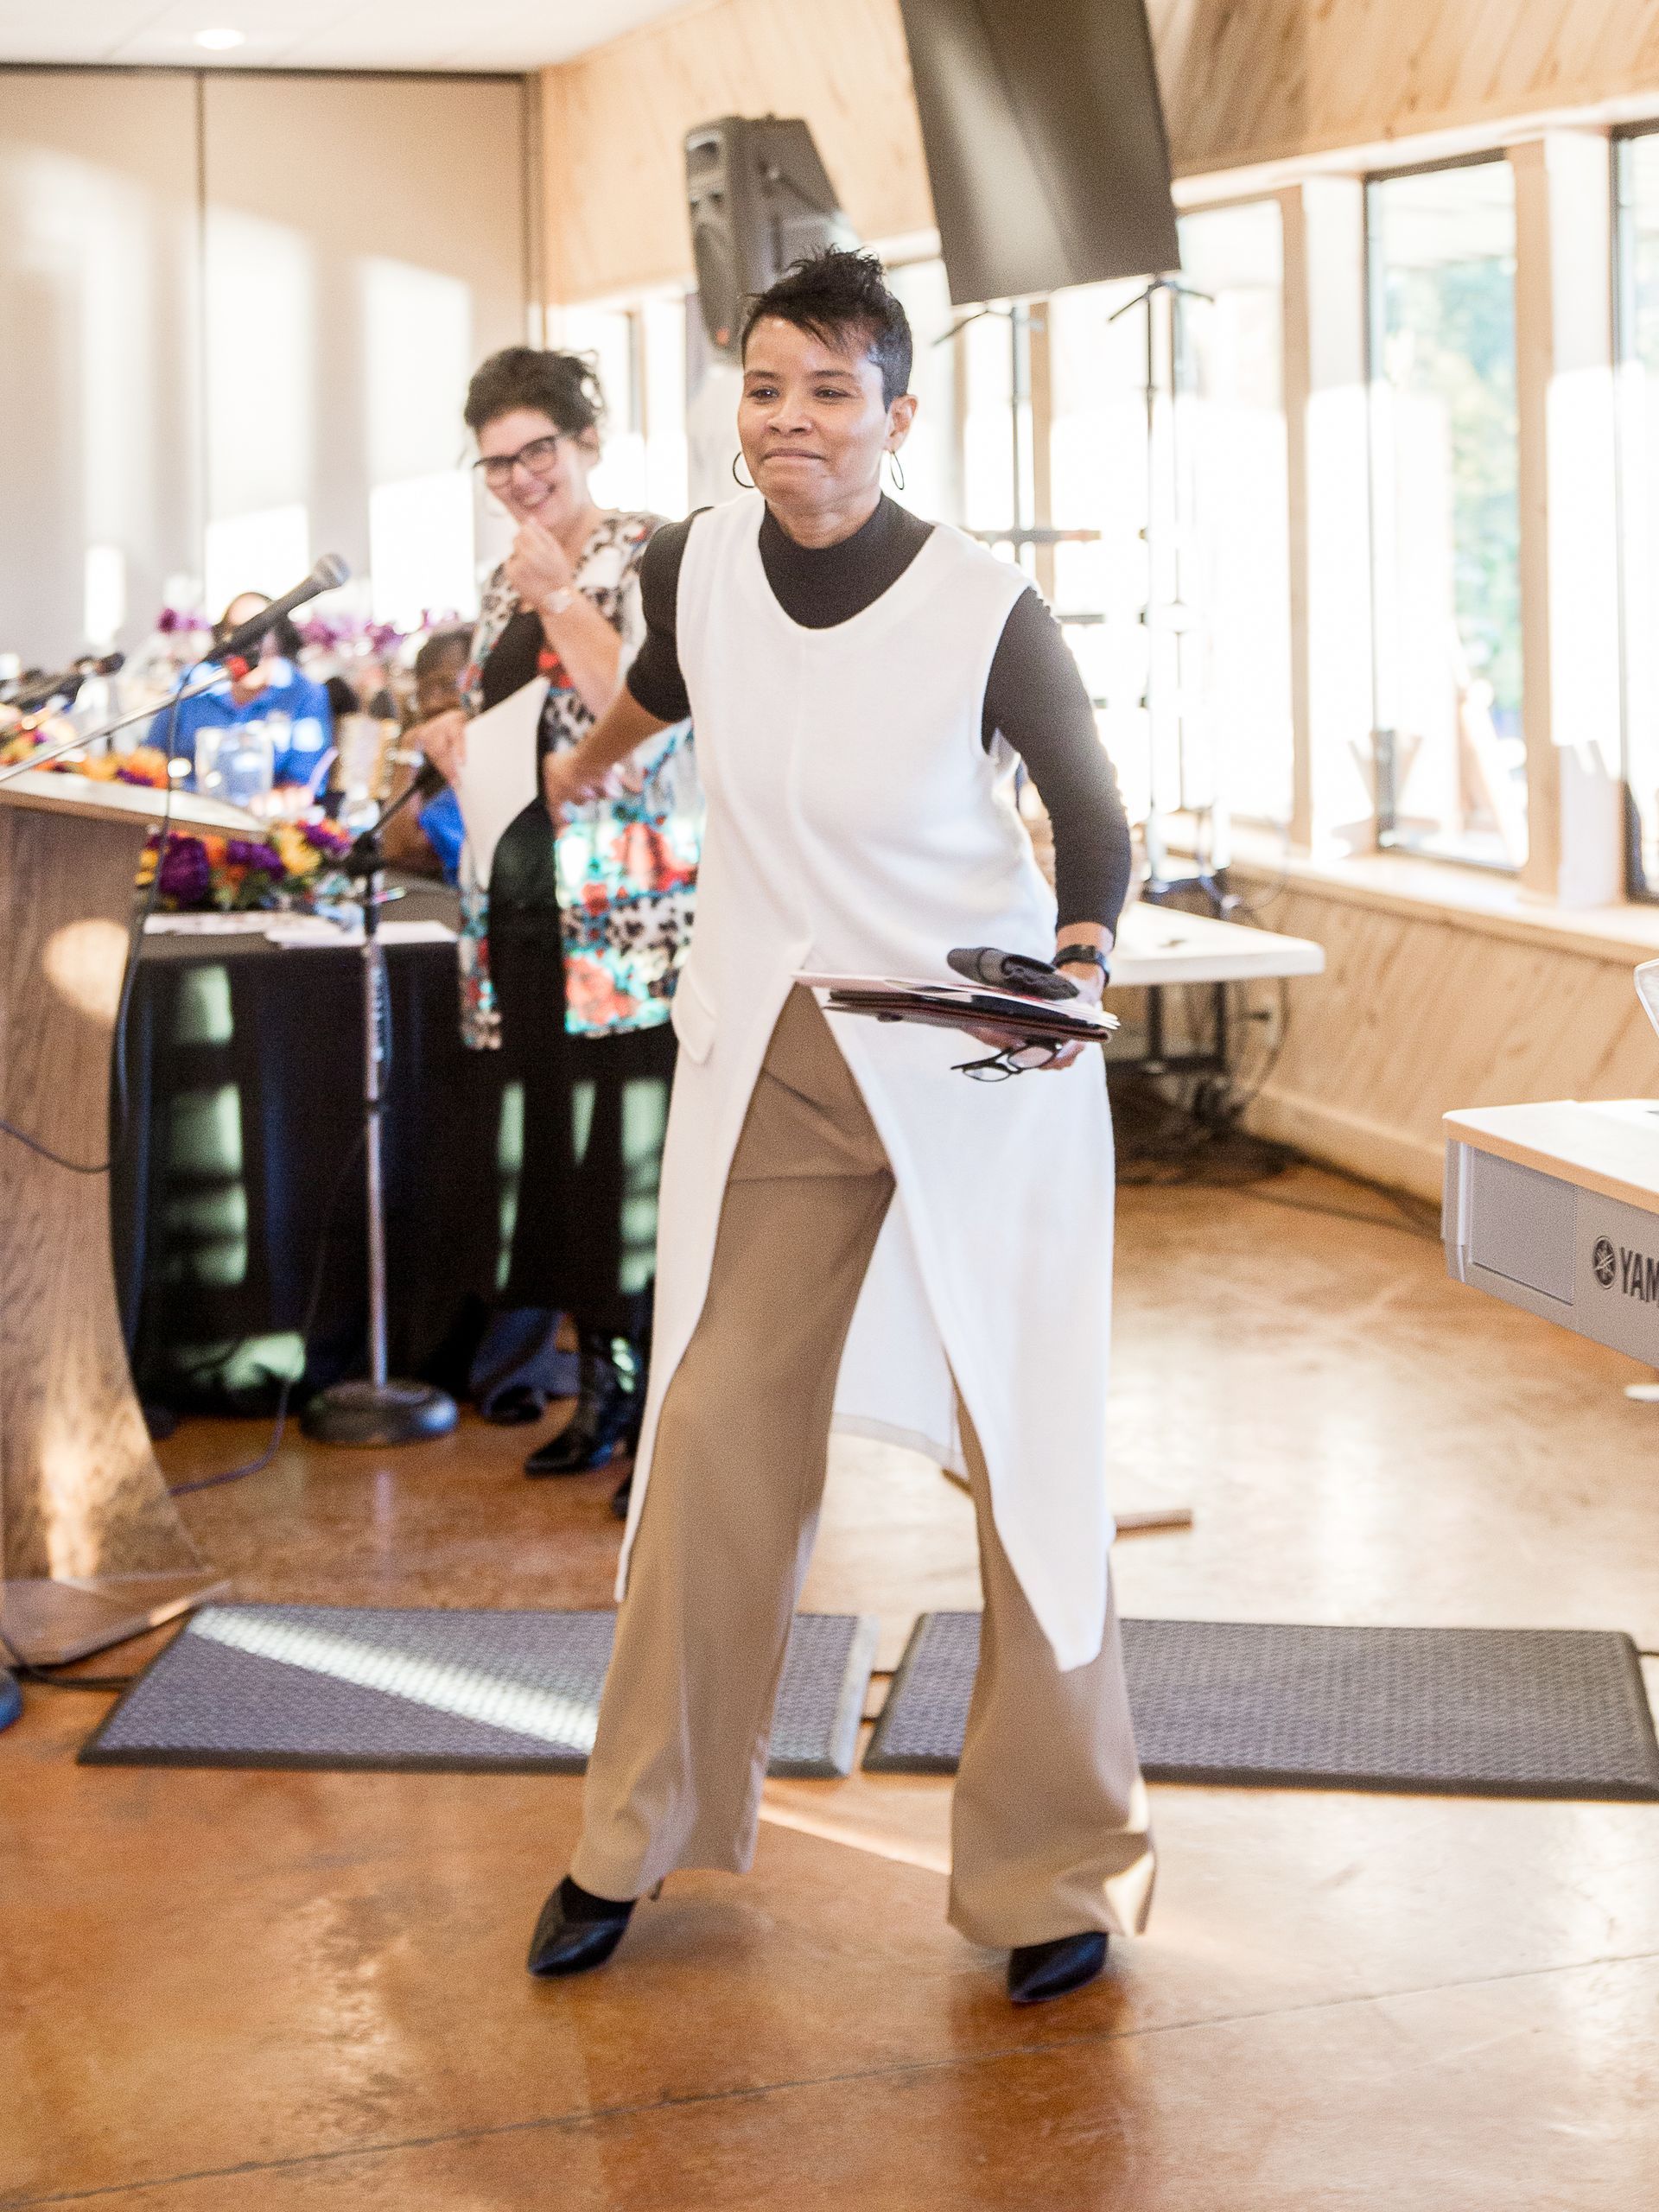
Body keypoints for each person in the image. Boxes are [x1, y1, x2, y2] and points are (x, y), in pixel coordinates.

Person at [524, 250, 1152, 2007]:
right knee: (710, 1429)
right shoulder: (704, 557)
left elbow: (1097, 824)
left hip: (976, 1055)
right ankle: (628, 1831)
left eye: (828, 391)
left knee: (1026, 1454)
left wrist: (1080, 964)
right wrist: (581, 758)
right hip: (788, 1045)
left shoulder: (981, 605)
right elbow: (672, 678)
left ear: (899, 412)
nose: (791, 422)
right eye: (765, 386)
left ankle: (1052, 1865)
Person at [412, 348, 696, 1488]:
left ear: (586, 440)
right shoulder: (500, 581)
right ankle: (605, 1395)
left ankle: (670, 1427)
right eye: (497, 464)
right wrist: (450, 740)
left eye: (537, 451)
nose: (520, 479)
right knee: (564, 1187)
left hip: (631, 920)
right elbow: (511, 717)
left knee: (635, 1173)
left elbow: (655, 710)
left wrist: (557, 594)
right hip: (525, 915)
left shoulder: (651, 553)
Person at [149, 592, 333, 791]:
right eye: (238, 630)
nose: (248, 641)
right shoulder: (194, 683)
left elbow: (303, 783)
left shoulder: (306, 694)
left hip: (261, 818)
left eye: (258, 629)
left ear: (280, 636)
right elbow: (150, 757)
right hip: (189, 812)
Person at [379, 628, 470, 880]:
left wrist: (409, 753)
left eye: (448, 685)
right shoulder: (431, 755)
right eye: (423, 691)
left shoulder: (477, 753)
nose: (433, 703)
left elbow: (404, 850)